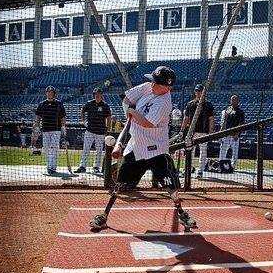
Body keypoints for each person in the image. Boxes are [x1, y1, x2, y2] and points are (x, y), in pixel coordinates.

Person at [89, 65, 197, 230]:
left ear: (168, 87)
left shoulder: (165, 103)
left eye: (157, 83)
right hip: (136, 146)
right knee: (119, 183)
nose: (152, 84)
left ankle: (182, 213)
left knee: (170, 184)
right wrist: (129, 112)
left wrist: (132, 113)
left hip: (156, 149)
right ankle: (104, 216)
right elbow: (126, 99)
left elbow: (147, 123)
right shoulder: (148, 87)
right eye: (153, 81)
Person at [181, 84, 215, 178]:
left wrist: (211, 131)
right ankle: (188, 169)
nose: (198, 93)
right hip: (192, 132)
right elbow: (186, 118)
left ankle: (200, 171)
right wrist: (182, 130)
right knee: (190, 151)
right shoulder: (190, 104)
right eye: (197, 91)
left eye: (200, 91)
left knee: (203, 152)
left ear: (204, 92)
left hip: (203, 132)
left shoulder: (208, 104)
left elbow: (211, 119)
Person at [77, 87, 111, 173]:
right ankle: (82, 166)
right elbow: (82, 111)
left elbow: (109, 118)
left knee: (99, 150)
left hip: (100, 132)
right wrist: (84, 121)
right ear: (93, 95)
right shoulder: (89, 103)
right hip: (89, 131)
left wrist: (108, 129)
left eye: (99, 95)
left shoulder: (105, 106)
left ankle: (96, 166)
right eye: (96, 95)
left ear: (101, 95)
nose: (97, 96)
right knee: (86, 149)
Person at [34, 85, 66, 175]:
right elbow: (38, 116)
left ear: (54, 94)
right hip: (45, 129)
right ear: (46, 93)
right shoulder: (42, 104)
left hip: (56, 129)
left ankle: (53, 166)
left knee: (55, 147)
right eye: (48, 92)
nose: (50, 94)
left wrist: (63, 126)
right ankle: (48, 166)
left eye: (51, 92)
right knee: (46, 148)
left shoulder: (59, 104)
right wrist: (37, 127)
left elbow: (63, 116)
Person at [219, 94, 245, 171]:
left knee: (235, 152)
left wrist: (237, 134)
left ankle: (233, 166)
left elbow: (241, 124)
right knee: (223, 150)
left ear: (238, 101)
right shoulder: (228, 109)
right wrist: (221, 131)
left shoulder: (240, 112)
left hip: (235, 136)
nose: (233, 101)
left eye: (235, 99)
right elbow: (224, 122)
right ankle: (221, 164)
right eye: (232, 99)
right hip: (226, 134)